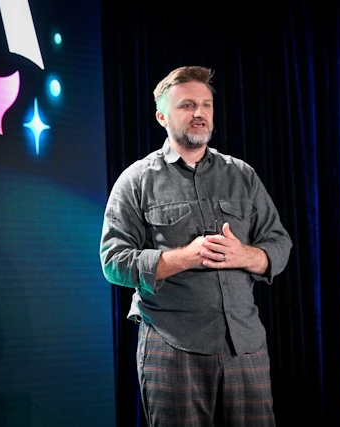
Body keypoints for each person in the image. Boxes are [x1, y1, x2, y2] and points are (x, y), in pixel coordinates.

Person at [100, 66, 292, 426]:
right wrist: (185, 257)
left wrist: (247, 256)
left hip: (245, 344)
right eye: (187, 105)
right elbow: (113, 261)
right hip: (172, 346)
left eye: (206, 105)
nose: (200, 113)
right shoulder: (137, 180)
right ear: (162, 116)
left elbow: (279, 243)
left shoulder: (242, 175)